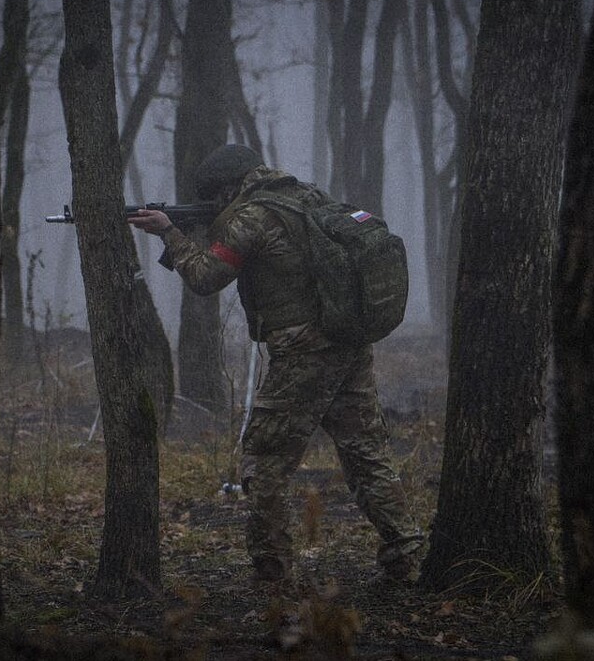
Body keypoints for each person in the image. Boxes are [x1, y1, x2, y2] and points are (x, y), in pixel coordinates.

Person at [128, 144, 424, 584]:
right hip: (347, 341)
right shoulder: (305, 196)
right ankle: (406, 557)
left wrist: (170, 233)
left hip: (304, 351)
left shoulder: (252, 216)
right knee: (366, 454)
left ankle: (273, 569)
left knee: (265, 459)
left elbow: (206, 278)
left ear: (227, 189)